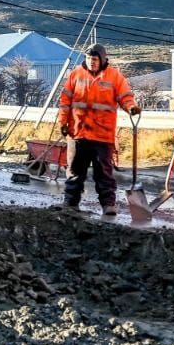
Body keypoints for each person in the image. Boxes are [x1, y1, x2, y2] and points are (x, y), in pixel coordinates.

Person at [57, 43, 140, 216]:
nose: (91, 62)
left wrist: (131, 107)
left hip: (103, 135)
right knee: (74, 171)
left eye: (94, 59)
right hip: (78, 132)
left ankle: (108, 205)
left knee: (104, 173)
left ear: (102, 59)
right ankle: (70, 203)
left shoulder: (114, 76)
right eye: (88, 59)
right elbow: (65, 100)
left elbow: (125, 96)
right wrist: (63, 122)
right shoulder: (75, 74)